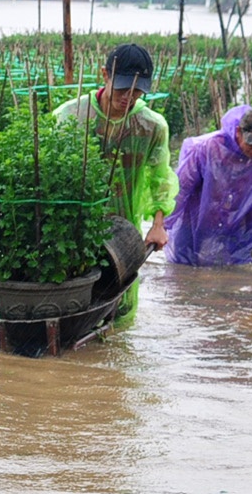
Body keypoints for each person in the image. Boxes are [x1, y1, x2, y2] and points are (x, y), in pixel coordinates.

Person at [51, 44, 177, 322]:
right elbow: (51, 176)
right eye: (122, 89)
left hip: (125, 229)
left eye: (137, 91)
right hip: (75, 227)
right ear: (105, 75)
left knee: (118, 309)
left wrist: (158, 225)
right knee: (71, 301)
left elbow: (161, 179)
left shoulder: (152, 126)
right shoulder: (71, 117)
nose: (128, 97)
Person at [167, 105, 252, 267]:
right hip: (193, 222)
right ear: (238, 132)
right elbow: (181, 189)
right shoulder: (208, 148)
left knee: (231, 275)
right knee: (184, 273)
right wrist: (162, 224)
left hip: (236, 230)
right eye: (251, 143)